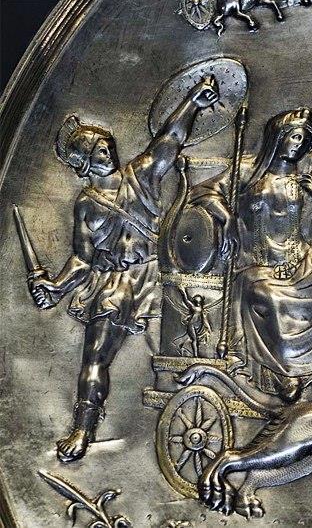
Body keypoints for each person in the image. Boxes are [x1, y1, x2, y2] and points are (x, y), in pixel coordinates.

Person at [28, 75, 220, 462]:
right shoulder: (86, 204)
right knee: (95, 355)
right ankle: (84, 427)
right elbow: (83, 259)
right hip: (114, 284)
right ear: (84, 162)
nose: (108, 152)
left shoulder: (140, 175)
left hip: (154, 276)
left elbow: (169, 139)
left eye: (108, 146)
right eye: (98, 150)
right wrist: (56, 286)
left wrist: (193, 102)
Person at [205, 108, 312, 403]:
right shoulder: (248, 171)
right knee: (273, 300)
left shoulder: (302, 182)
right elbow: (206, 192)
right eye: (295, 137)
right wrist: (228, 217)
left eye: (304, 140)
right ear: (279, 137)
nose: (298, 145)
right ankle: (286, 373)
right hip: (257, 263)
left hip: (301, 263)